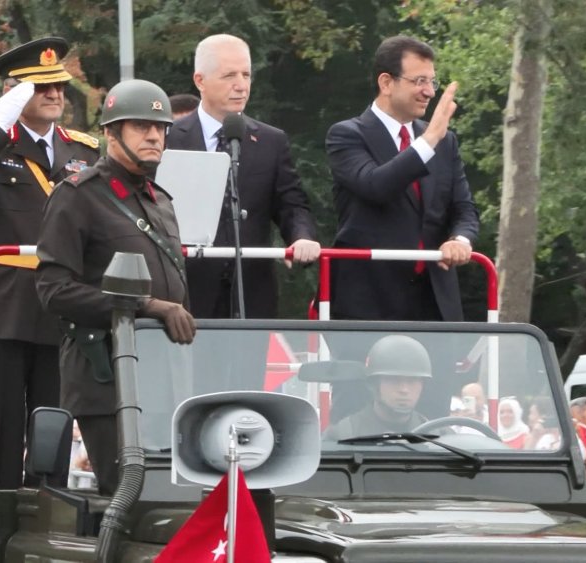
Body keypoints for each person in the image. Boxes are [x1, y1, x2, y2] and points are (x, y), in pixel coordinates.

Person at [0, 37, 100, 489]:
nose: (54, 95)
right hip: (2, 308)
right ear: (15, 94)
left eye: (59, 87)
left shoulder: (83, 151)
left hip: (59, 306)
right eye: (41, 87)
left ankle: (47, 515)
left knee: (53, 423)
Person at [36, 79, 196, 495]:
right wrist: (146, 306)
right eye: (141, 126)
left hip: (164, 371)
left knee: (174, 497)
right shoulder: (78, 196)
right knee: (128, 499)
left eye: (160, 128)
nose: (154, 136)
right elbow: (53, 290)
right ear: (110, 133)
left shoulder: (161, 200)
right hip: (106, 376)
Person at [166, 34, 320, 319]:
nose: (241, 85)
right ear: (200, 80)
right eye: (229, 75)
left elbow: (292, 204)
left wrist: (301, 237)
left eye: (247, 74)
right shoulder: (169, 138)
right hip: (185, 295)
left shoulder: (272, 141)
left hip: (252, 293)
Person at [326, 35, 479, 322]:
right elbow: (375, 185)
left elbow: (464, 209)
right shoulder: (347, 134)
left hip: (434, 302)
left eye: (432, 82)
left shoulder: (446, 143)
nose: (430, 92)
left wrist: (460, 240)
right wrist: (429, 139)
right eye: (419, 81)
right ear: (386, 83)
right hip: (368, 302)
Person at [325, 335, 432, 440]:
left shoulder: (437, 436)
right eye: (394, 380)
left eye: (412, 381)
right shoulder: (341, 436)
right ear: (374, 384)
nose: (404, 390)